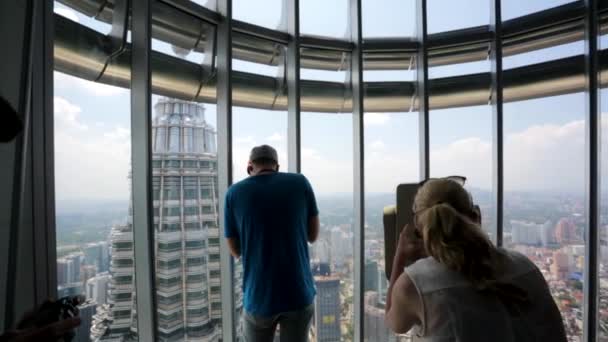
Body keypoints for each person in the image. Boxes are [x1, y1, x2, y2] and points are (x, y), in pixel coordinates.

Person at [385, 177, 567, 341]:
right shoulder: (525, 267)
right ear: (476, 216)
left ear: (419, 228)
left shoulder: (414, 286)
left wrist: (400, 256)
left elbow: (393, 322)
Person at [224, 144, 320, 342]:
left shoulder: (234, 193)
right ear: (277, 166)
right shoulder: (300, 183)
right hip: (298, 293)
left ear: (250, 167)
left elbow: (234, 249)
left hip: (259, 296)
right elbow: (313, 235)